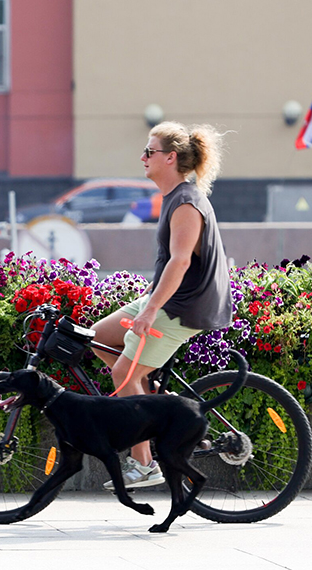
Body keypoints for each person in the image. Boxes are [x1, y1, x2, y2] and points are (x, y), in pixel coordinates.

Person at [91, 121, 233, 490]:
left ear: (170, 158)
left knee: (122, 374)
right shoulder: (174, 197)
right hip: (170, 298)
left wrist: (150, 310)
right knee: (98, 338)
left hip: (184, 307)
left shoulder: (186, 202)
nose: (143, 157)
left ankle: (144, 465)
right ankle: (152, 399)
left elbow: (180, 261)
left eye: (149, 152)